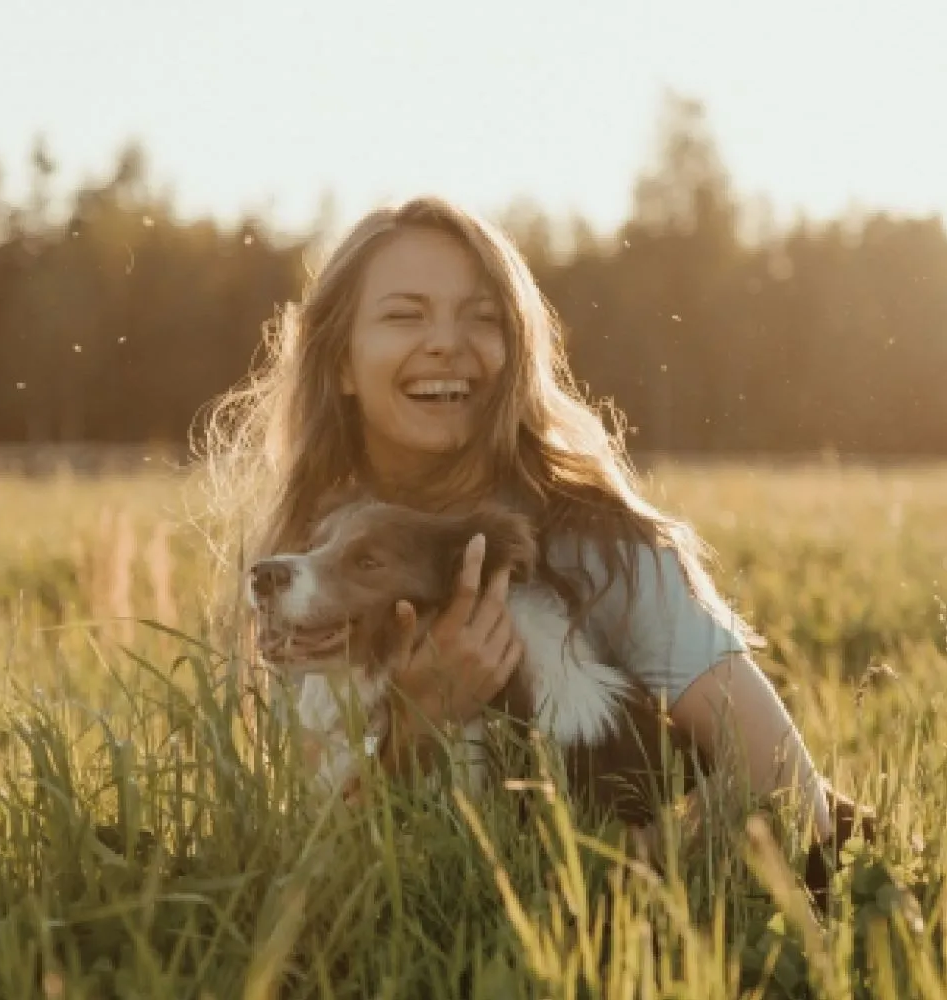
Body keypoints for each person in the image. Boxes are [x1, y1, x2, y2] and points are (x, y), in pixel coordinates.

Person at [203, 195, 873, 905]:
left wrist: (602, 884)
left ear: (517, 353)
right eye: (405, 315)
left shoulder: (603, 546)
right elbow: (318, 860)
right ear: (338, 360)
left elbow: (789, 787)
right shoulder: (302, 566)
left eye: (482, 317)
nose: (446, 343)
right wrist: (417, 719)